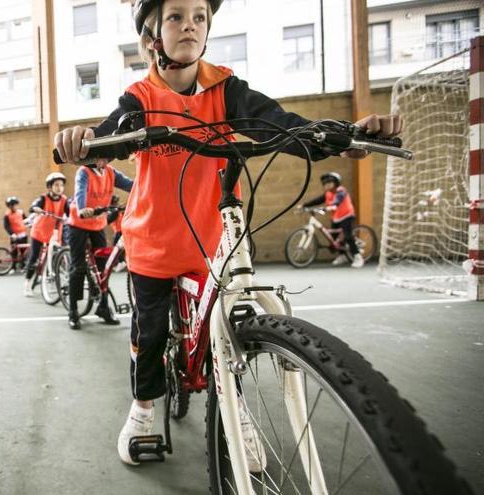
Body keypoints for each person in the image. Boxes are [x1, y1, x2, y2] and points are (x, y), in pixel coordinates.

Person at [53, 0, 403, 466]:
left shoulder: (227, 89)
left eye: (199, 17)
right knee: (151, 332)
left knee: (227, 331)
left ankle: (235, 415)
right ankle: (142, 407)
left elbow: (280, 122)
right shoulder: (141, 96)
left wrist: (338, 136)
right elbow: (112, 130)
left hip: (214, 242)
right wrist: (84, 141)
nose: (190, 26)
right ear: (153, 33)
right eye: (176, 16)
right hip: (154, 244)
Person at [66, 162, 133, 330]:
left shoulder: (111, 172)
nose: (103, 161)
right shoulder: (84, 172)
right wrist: (82, 208)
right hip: (79, 222)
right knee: (79, 266)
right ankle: (73, 310)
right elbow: (80, 190)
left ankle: (103, 307)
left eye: (105, 157)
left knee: (104, 268)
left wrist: (145, 188)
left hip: (97, 224)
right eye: (99, 156)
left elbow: (130, 184)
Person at [302, 172, 364, 268]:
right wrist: (304, 205)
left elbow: (337, 201)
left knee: (348, 236)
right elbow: (318, 200)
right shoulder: (327, 193)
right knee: (334, 238)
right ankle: (342, 255)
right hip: (336, 218)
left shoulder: (341, 191)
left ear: (336, 183)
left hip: (347, 216)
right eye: (325, 183)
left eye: (329, 183)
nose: (327, 185)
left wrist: (332, 206)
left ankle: (357, 257)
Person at [24, 172, 70, 296]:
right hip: (39, 232)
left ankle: (54, 275)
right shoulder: (43, 198)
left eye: (61, 185)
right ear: (50, 187)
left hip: (55, 233)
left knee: (58, 254)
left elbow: (70, 212)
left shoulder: (64, 200)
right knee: (34, 257)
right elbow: (34, 206)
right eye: (56, 185)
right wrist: (36, 209)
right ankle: (27, 284)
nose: (59, 188)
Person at [3, 196, 27, 274]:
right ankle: (13, 267)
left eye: (16, 205)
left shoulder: (21, 212)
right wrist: (12, 234)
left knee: (24, 252)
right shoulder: (7, 215)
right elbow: (6, 226)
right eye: (13, 205)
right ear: (10, 206)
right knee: (14, 252)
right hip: (14, 236)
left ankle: (22, 266)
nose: (15, 206)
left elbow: (25, 220)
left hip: (23, 234)